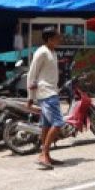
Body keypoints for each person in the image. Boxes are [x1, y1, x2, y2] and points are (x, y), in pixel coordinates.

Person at [27, 27, 65, 170]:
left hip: (51, 91)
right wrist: (30, 97)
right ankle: (43, 154)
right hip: (46, 93)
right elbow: (32, 75)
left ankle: (46, 155)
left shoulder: (52, 52)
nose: (59, 40)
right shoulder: (42, 52)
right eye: (57, 37)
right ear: (49, 39)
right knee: (58, 123)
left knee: (47, 125)